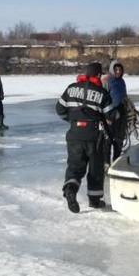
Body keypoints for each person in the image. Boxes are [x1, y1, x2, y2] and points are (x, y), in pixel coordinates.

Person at [56, 62, 115, 213]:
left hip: (74, 134)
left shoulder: (71, 88)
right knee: (95, 168)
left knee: (75, 166)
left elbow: (60, 109)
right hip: (94, 135)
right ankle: (95, 201)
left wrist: (72, 120)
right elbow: (111, 116)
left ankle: (70, 189)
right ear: (98, 76)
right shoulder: (102, 93)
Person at [102, 59, 128, 163]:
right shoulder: (106, 81)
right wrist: (106, 116)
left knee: (119, 140)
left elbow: (124, 96)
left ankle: (116, 161)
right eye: (116, 69)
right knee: (108, 141)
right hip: (109, 116)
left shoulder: (122, 81)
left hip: (121, 114)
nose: (118, 71)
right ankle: (106, 163)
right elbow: (102, 99)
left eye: (120, 70)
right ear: (112, 70)